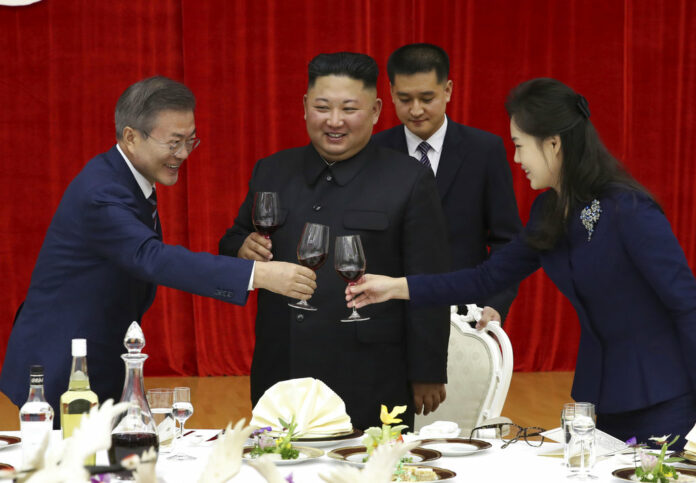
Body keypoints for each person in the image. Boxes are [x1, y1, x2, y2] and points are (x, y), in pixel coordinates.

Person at [347, 78, 696, 447]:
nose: (516, 160)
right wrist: (394, 287)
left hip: (664, 393)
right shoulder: (550, 210)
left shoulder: (629, 210)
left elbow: (686, 304)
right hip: (602, 397)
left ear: (553, 143)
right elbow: (486, 279)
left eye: (519, 146)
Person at [0, 76, 316, 424]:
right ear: (131, 137)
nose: (182, 154)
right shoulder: (102, 192)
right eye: (174, 142)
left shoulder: (124, 177)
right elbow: (151, 257)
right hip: (64, 366)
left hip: (101, 355)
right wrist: (259, 275)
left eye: (190, 141)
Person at [219, 52, 451, 429]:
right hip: (283, 365)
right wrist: (242, 247)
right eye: (322, 107)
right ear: (305, 107)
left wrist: (426, 369)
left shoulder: (408, 179)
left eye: (349, 108)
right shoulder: (272, 169)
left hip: (369, 371)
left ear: (376, 111)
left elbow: (429, 278)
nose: (334, 121)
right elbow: (232, 240)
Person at [373, 43, 521, 323]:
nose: (416, 110)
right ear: (391, 92)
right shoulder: (374, 151)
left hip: (465, 313)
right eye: (405, 99)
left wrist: (496, 303)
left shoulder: (484, 150)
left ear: (448, 90)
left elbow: (507, 240)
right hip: (388, 316)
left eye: (426, 98)